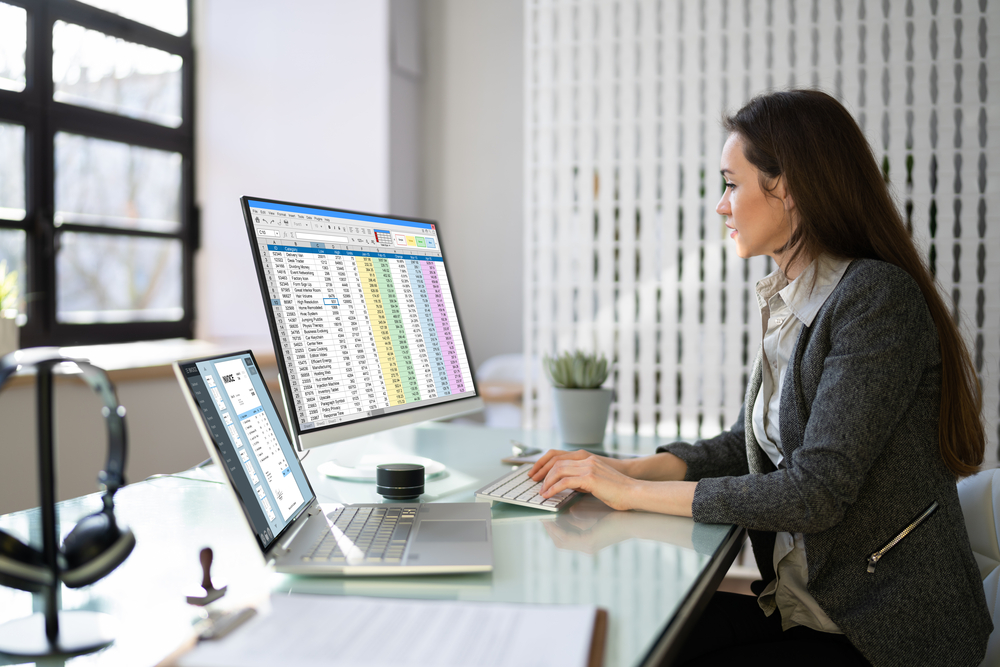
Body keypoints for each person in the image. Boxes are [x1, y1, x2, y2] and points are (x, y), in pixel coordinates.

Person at [528, 89, 992, 667]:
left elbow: (812, 493)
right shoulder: (795, 297)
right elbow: (745, 446)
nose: (721, 206)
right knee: (628, 628)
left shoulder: (874, 300)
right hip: (809, 608)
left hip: (884, 635)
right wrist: (626, 469)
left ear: (787, 188)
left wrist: (632, 495)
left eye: (731, 184)